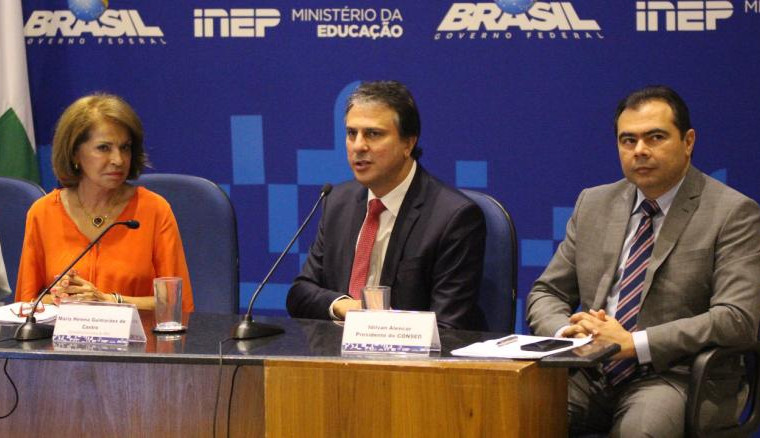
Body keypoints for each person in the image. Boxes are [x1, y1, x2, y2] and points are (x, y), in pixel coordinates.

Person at [526, 85, 760, 436]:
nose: (640, 150)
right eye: (628, 140)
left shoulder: (733, 213)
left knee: (641, 429)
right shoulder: (593, 203)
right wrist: (568, 334)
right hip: (589, 372)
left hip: (676, 376)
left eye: (655, 137)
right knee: (510, 413)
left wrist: (634, 344)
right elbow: (547, 292)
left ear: (688, 141)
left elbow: (736, 319)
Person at [287, 80, 487, 330]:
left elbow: (448, 326)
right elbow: (300, 294)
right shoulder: (337, 201)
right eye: (352, 133)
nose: (358, 146)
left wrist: (381, 325)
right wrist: (345, 307)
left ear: (408, 143)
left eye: (373, 134)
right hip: (337, 349)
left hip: (412, 353)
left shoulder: (453, 217)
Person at [15, 93, 194, 311]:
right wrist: (63, 297)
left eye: (125, 147)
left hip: (139, 333)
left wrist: (108, 300)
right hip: (63, 333)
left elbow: (177, 304)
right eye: (104, 148)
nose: (118, 160)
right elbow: (25, 305)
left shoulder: (154, 210)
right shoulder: (43, 213)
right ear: (74, 153)